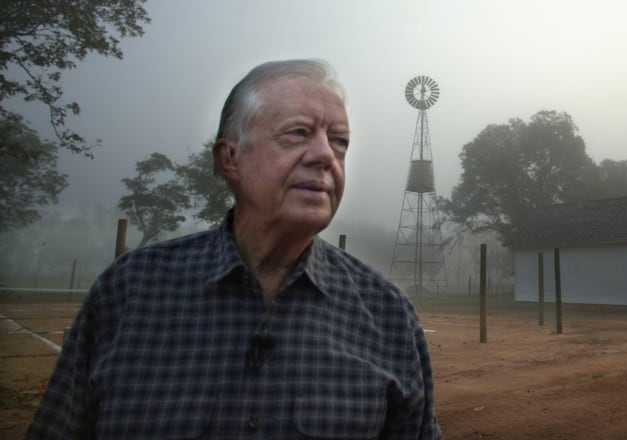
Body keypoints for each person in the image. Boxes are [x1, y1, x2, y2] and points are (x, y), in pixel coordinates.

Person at [26, 59, 442, 439]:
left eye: (339, 141)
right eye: (298, 133)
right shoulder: (129, 292)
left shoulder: (386, 313)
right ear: (230, 157)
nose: (324, 156)